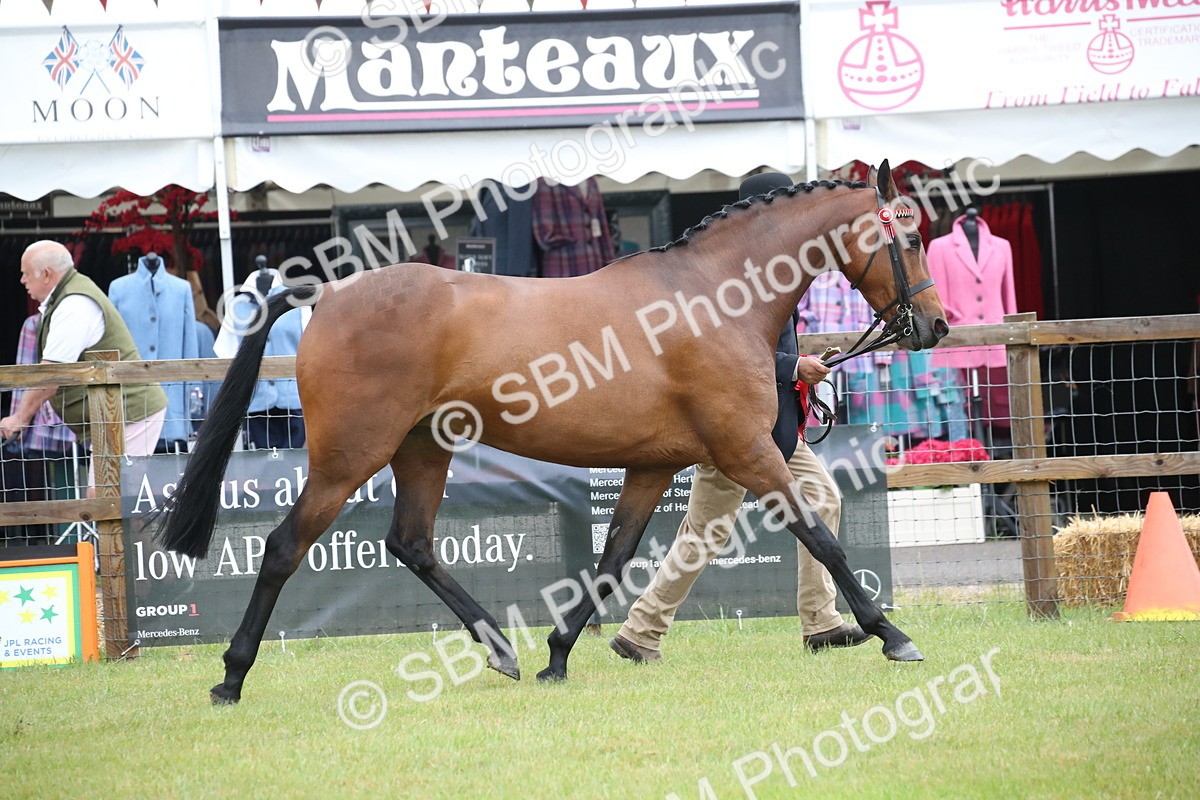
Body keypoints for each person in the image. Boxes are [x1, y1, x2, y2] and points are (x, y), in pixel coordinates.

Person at [609, 173, 870, 664]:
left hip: (775, 427)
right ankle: (641, 629)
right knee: (708, 530)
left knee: (822, 499)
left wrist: (799, 366)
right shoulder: (734, 277)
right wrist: (795, 367)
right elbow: (724, 358)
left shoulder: (777, 268)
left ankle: (822, 622)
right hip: (729, 428)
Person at [1, 241, 167, 494]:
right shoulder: (69, 297)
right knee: (104, 498)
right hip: (115, 414)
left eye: (26, 273)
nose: (22, 280)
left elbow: (51, 374)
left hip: (128, 413)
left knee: (107, 499)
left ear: (46, 274)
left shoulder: (73, 305)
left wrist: (19, 418)